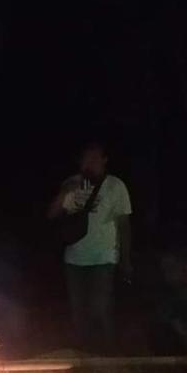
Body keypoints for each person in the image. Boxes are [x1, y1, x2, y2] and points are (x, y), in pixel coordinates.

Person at [47, 140, 132, 352]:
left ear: (104, 160)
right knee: (78, 311)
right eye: (87, 159)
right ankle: (83, 355)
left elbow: (124, 224)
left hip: (104, 257)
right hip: (74, 258)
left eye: (95, 158)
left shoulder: (115, 186)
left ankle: (107, 353)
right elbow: (52, 214)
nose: (91, 163)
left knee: (100, 308)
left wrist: (126, 259)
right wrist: (66, 192)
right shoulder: (72, 183)